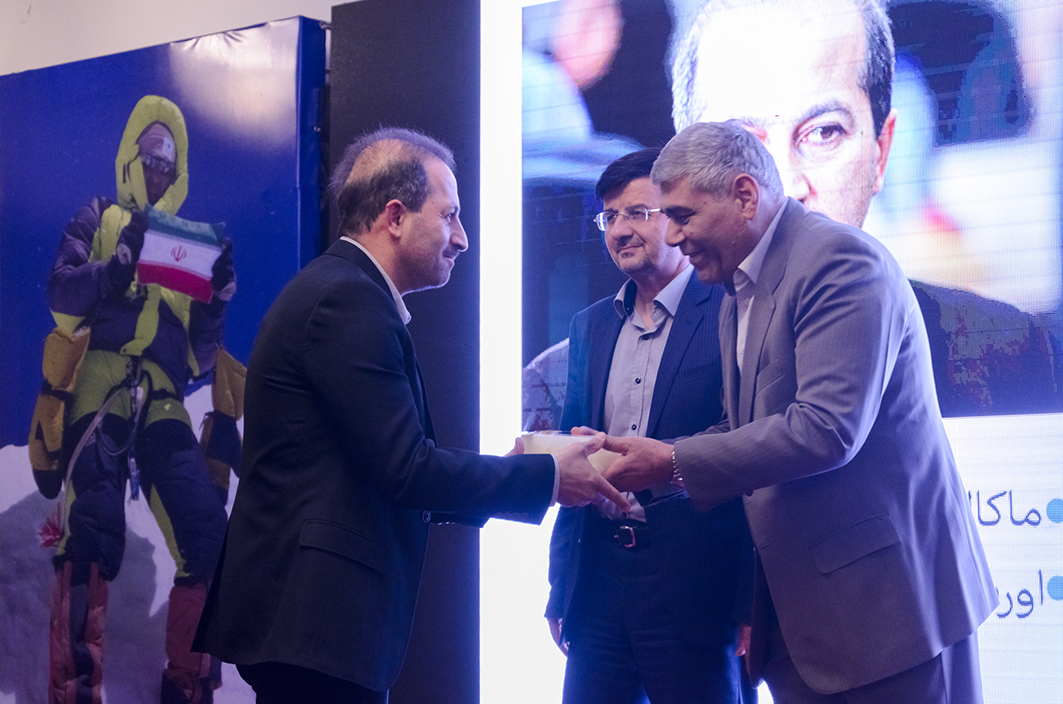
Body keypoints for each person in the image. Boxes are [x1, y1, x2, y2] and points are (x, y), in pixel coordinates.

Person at [192, 127, 629, 704]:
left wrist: (513, 469)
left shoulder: (343, 291)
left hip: (308, 625)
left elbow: (382, 468)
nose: (463, 238)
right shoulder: (348, 300)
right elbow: (406, 470)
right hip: (314, 625)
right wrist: (546, 477)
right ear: (395, 217)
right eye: (450, 216)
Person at [601, 120, 997, 702]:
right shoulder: (737, 287)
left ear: (744, 195)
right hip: (804, 626)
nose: (673, 235)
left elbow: (827, 429)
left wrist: (671, 462)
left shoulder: (839, 260)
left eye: (682, 216)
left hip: (889, 614)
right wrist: (641, 456)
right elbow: (743, 428)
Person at [669, 0, 1061, 416]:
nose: (784, 189)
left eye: (824, 133)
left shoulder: (1013, 362)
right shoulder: (624, 370)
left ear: (881, 152)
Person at [41, 95, 236, 704]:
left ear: (178, 173)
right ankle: (74, 693)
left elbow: (201, 358)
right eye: (149, 157)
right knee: (91, 530)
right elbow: (60, 297)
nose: (157, 171)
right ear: (130, 156)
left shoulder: (188, 247)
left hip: (163, 398)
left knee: (208, 532)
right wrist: (113, 269)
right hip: (100, 383)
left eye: (167, 164)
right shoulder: (98, 217)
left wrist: (216, 299)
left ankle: (188, 688)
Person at [547, 149, 752, 704]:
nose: (620, 230)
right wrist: (561, 589)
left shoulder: (730, 308)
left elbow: (752, 451)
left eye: (637, 213)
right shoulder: (590, 325)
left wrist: (751, 599)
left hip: (697, 584)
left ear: (675, 218)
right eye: (609, 217)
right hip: (598, 582)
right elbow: (573, 455)